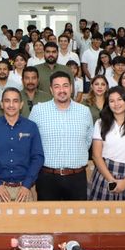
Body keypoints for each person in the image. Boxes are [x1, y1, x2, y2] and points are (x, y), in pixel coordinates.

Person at [29, 71, 94, 201]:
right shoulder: (38, 111)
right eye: (57, 86)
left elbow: (87, 141)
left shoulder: (84, 111)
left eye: (65, 86)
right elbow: (31, 141)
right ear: (51, 90)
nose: (61, 90)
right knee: (47, 219)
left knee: (77, 219)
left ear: (71, 88)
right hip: (47, 177)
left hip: (77, 177)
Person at [0, 88, 44, 202]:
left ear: (21, 105)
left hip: (24, 190)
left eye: (15, 101)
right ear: (1, 104)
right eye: (7, 101)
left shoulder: (31, 127)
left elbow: (38, 157)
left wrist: (27, 184)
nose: (11, 105)